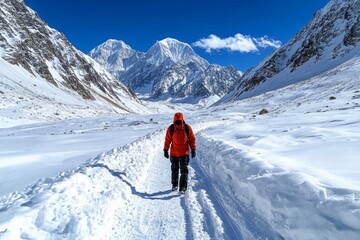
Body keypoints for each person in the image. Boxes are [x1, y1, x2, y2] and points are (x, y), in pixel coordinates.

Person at [163, 112, 196, 193]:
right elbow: (167, 140)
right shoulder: (171, 129)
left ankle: (183, 187)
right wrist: (165, 150)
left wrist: (193, 149)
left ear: (182, 120)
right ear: (174, 121)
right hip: (174, 153)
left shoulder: (187, 128)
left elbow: (192, 139)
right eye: (176, 121)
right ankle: (174, 185)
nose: (178, 123)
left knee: (184, 171)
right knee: (174, 170)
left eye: (179, 121)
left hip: (184, 153)